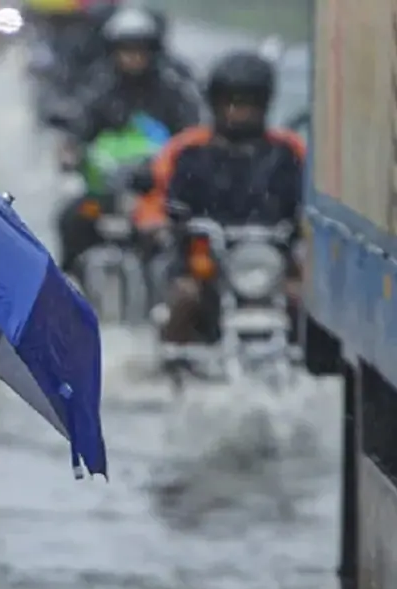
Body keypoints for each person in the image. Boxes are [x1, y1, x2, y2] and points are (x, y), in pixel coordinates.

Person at [136, 50, 306, 346]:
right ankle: (174, 361)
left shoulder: (288, 152)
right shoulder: (188, 151)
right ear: (214, 103)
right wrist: (164, 226)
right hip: (205, 264)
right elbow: (164, 200)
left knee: (305, 300)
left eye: (247, 104)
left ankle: (308, 356)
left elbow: (308, 206)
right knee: (184, 297)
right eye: (230, 102)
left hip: (270, 263)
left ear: (264, 105)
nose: (237, 112)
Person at [54, 4, 202, 276]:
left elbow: (191, 137)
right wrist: (70, 151)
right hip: (108, 193)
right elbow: (78, 129)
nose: (132, 57)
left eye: (139, 49)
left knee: (193, 234)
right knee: (71, 218)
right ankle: (73, 287)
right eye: (125, 49)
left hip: (161, 195)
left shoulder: (174, 92)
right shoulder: (99, 88)